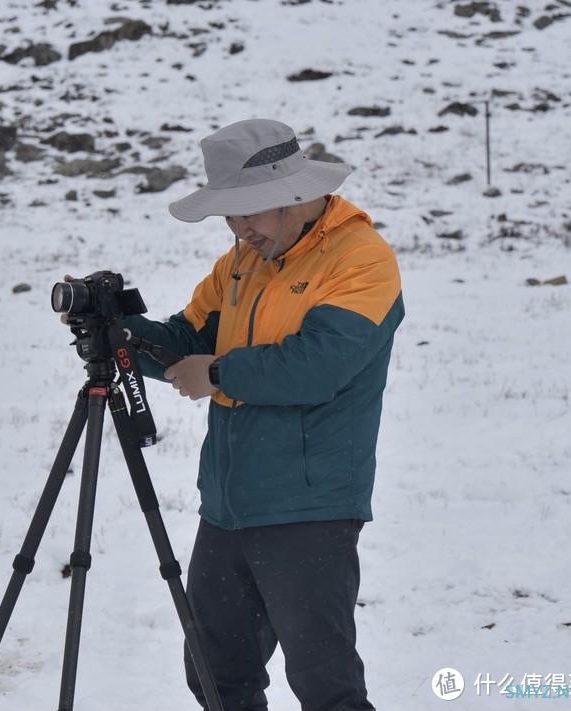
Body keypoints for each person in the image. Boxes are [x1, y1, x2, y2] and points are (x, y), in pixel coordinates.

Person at [122, 119, 404, 711]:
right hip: (227, 506)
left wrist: (218, 374)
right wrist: (119, 334)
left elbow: (319, 366)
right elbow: (186, 338)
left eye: (251, 211)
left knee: (326, 687)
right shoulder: (242, 261)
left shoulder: (362, 260)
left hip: (309, 507)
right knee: (217, 676)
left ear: (297, 194)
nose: (240, 227)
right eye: (230, 214)